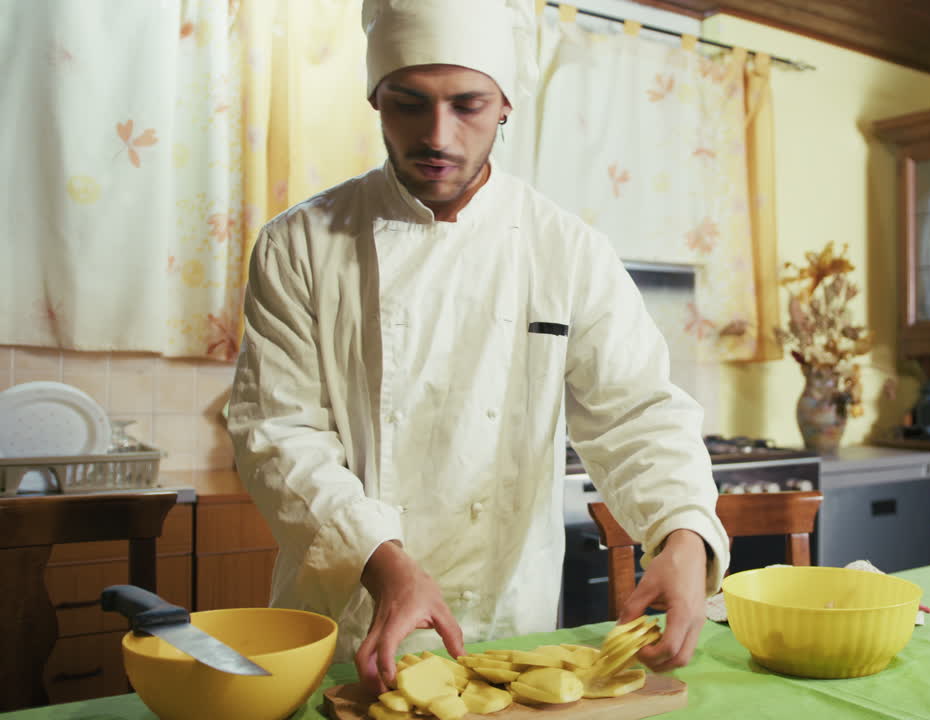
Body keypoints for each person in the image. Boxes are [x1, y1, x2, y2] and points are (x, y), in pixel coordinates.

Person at [226, 0, 730, 695]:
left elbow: (635, 412)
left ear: (505, 107)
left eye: (468, 105)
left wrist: (682, 536)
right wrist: (385, 564)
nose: (439, 135)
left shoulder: (567, 250)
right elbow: (279, 435)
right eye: (409, 104)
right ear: (375, 99)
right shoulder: (302, 245)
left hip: (508, 629)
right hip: (351, 622)